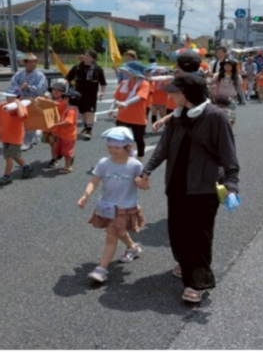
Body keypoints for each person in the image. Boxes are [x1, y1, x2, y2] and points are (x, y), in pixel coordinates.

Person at [138, 74, 240, 304]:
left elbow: (228, 154)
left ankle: (197, 282)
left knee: (198, 235)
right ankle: (185, 263)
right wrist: (148, 170)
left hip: (203, 187)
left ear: (186, 94)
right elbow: (163, 147)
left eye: (174, 92)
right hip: (176, 183)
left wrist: (232, 184)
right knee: (178, 230)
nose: (170, 95)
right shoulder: (177, 116)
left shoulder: (215, 117)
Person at [78, 127, 148, 285]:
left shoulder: (135, 165)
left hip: (125, 207)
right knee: (118, 231)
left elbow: (145, 186)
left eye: (116, 147)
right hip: (107, 206)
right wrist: (85, 195)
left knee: (111, 236)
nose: (112, 150)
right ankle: (133, 247)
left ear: (128, 147)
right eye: (109, 146)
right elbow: (94, 181)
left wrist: (142, 184)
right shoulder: (104, 163)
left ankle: (101, 269)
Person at [0, 90, 33, 186]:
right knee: (15, 155)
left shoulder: (22, 106)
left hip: (16, 135)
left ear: (17, 97)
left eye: (10, 97)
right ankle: (26, 167)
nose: (7, 99)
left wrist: (18, 104)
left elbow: (21, 115)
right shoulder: (2, 105)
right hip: (5, 134)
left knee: (8, 156)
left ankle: (7, 176)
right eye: (7, 97)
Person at [66, 50, 107, 141]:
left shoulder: (98, 69)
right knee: (83, 112)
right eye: (85, 55)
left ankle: (89, 130)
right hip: (79, 94)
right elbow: (68, 78)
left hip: (91, 94)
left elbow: (103, 83)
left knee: (90, 112)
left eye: (88, 56)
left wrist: (102, 92)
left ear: (93, 58)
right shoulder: (77, 67)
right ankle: (86, 127)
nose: (86, 57)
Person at [9, 53, 48, 151]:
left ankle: (28, 141)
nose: (32, 64)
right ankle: (27, 138)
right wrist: (19, 88)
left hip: (33, 100)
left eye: (34, 62)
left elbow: (42, 89)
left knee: (30, 121)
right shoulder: (19, 74)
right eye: (30, 62)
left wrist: (29, 87)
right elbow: (13, 84)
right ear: (25, 63)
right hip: (21, 99)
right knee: (20, 120)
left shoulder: (40, 75)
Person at [113, 62, 150, 160]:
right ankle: (121, 157)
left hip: (138, 117)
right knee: (119, 138)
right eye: (125, 71)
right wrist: (111, 109)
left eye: (128, 71)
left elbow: (140, 97)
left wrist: (126, 103)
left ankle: (140, 159)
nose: (126, 73)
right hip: (122, 116)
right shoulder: (124, 82)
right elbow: (117, 97)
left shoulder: (144, 83)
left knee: (139, 139)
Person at [45, 84, 79, 174]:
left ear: (69, 99)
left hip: (68, 136)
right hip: (61, 134)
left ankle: (68, 166)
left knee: (67, 152)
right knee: (61, 150)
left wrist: (55, 124)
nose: (63, 99)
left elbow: (68, 122)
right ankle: (66, 162)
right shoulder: (68, 108)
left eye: (65, 97)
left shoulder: (71, 110)